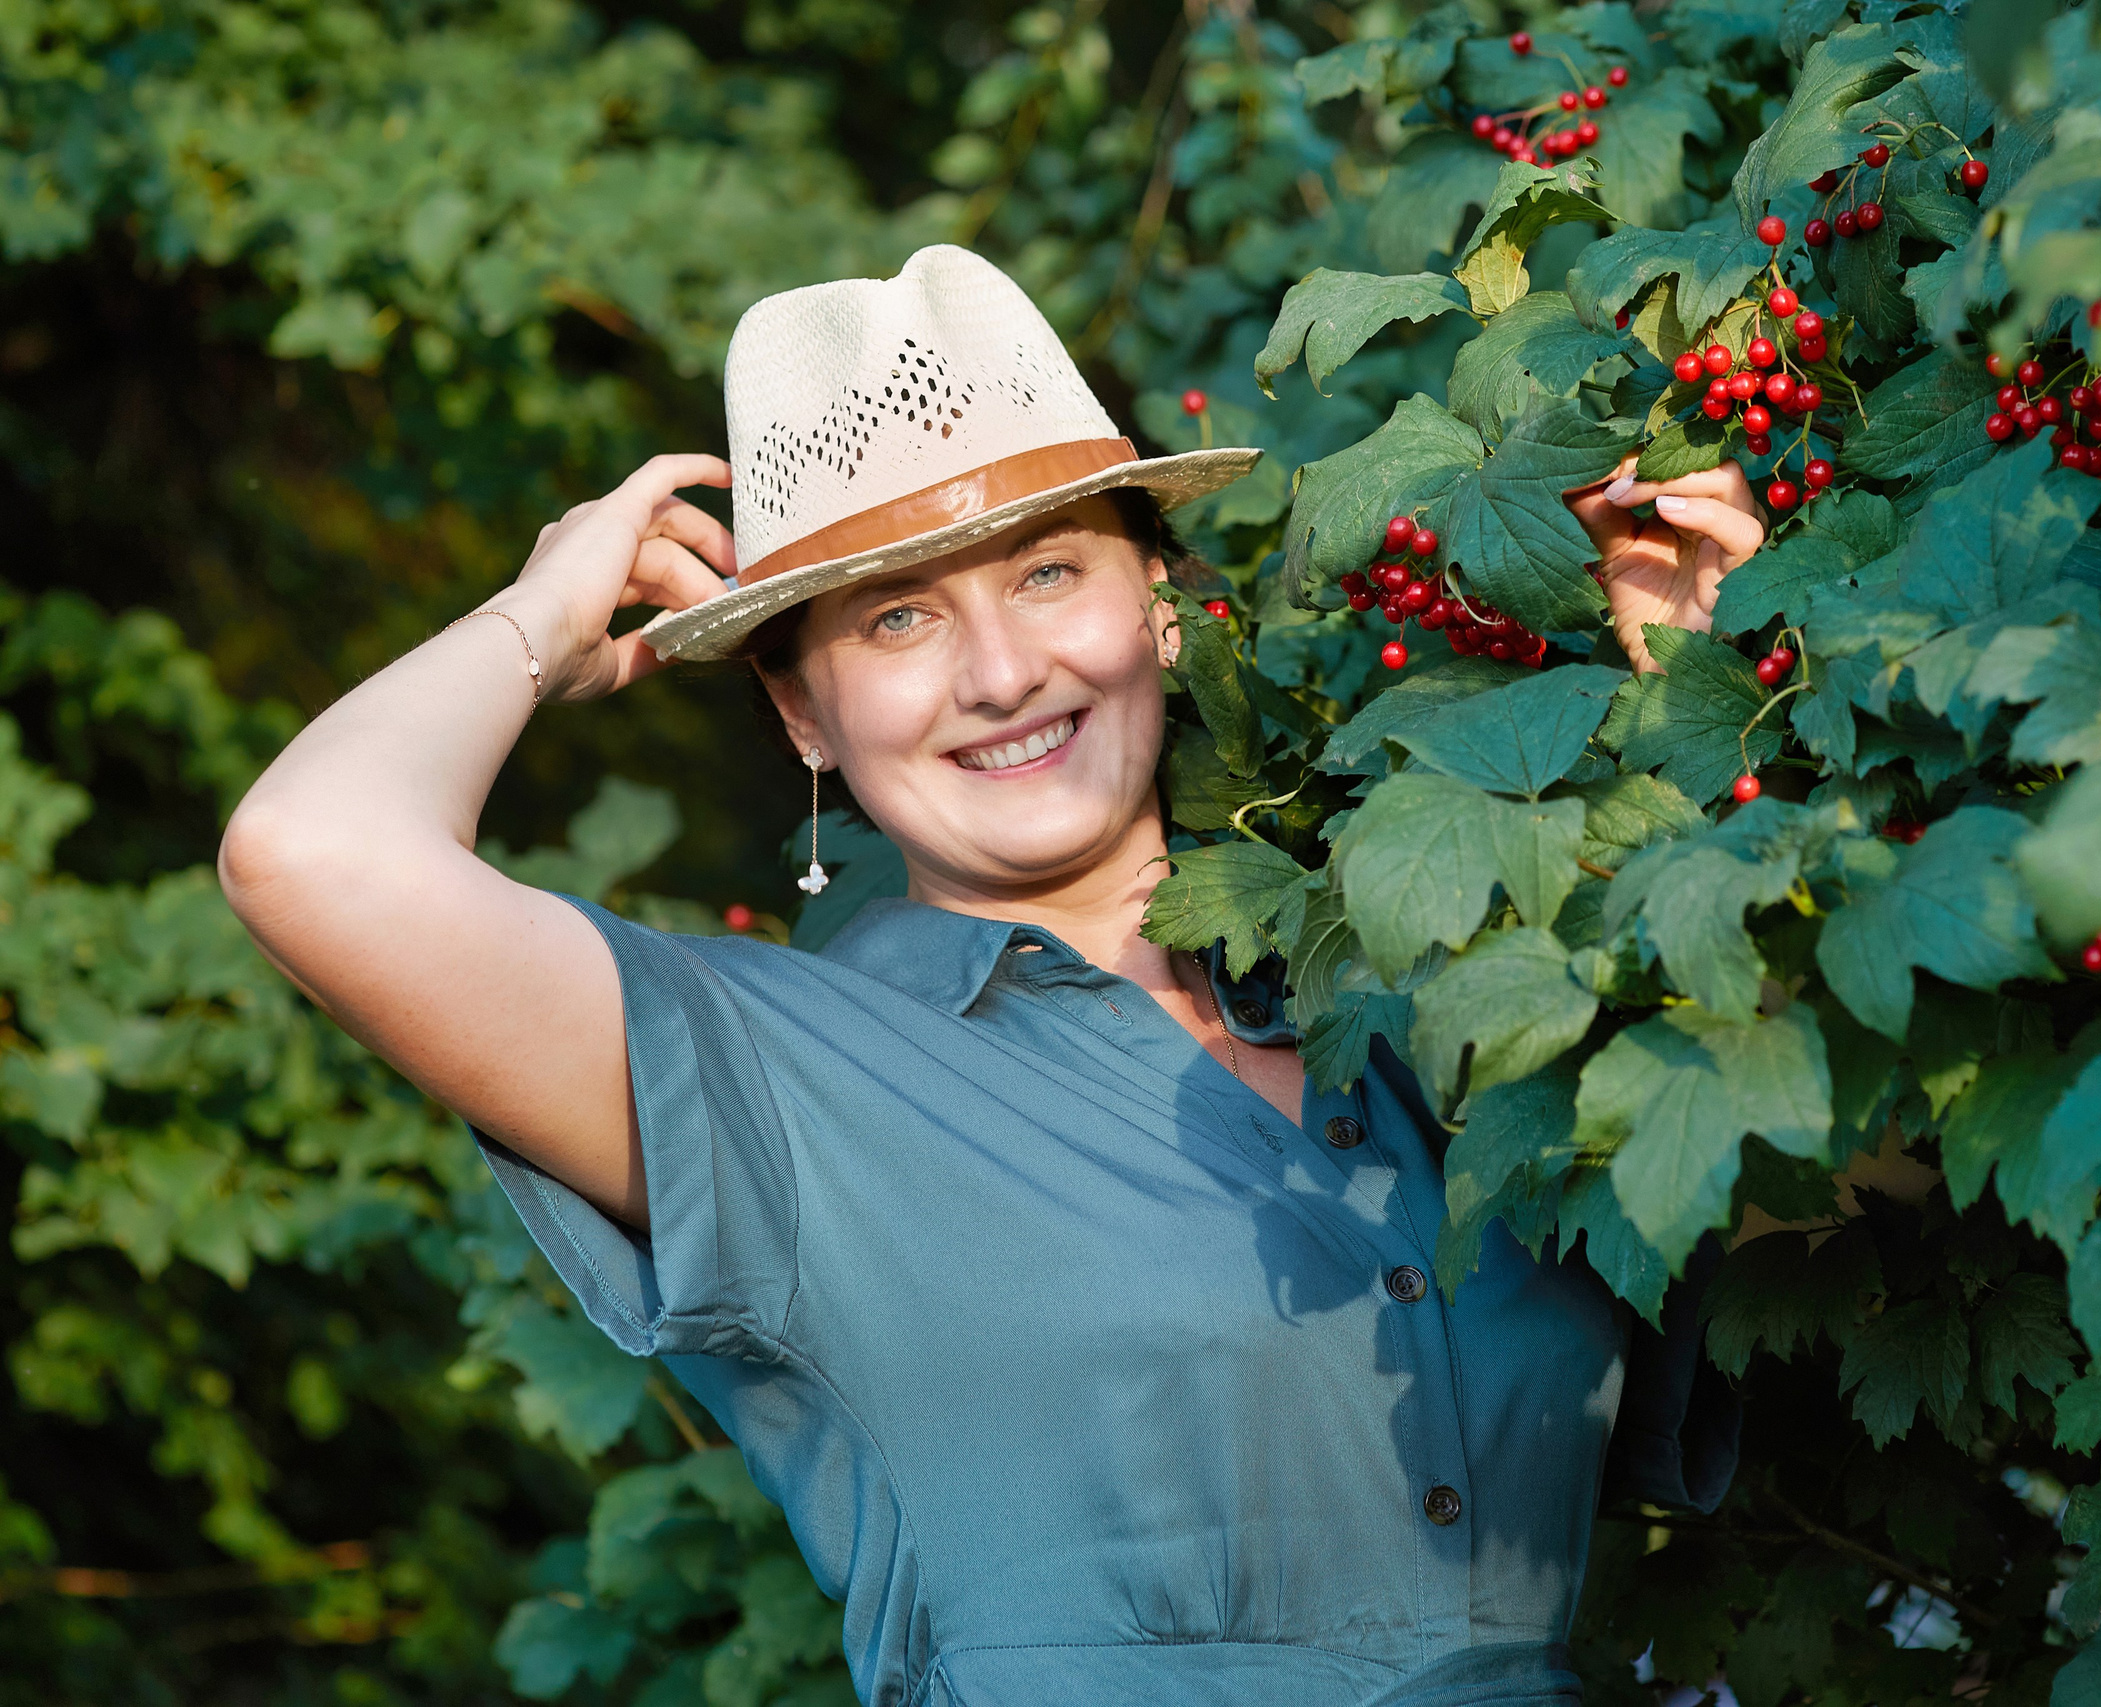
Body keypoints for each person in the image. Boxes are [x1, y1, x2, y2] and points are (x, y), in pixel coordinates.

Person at [220, 246, 1770, 1707]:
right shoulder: (773, 1073)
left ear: (1158, 606)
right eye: (900, 617)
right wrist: (541, 617)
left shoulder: (1425, 998)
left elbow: (1857, 1173)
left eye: (1046, 575)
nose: (1002, 673)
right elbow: (312, 853)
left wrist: (1718, 694)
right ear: (803, 719)